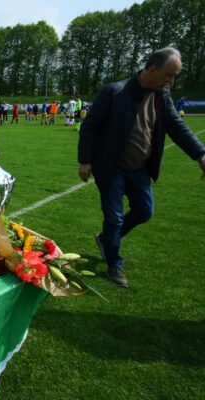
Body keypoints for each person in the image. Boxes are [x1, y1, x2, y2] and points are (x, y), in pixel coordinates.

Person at [78, 47, 205, 288]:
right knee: (114, 218)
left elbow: (176, 126)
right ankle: (114, 264)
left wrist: (201, 154)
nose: (172, 82)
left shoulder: (162, 96)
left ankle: (106, 240)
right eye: (169, 75)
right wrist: (85, 160)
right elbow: (89, 126)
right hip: (112, 167)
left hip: (140, 169)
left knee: (145, 211)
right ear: (152, 69)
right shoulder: (114, 92)